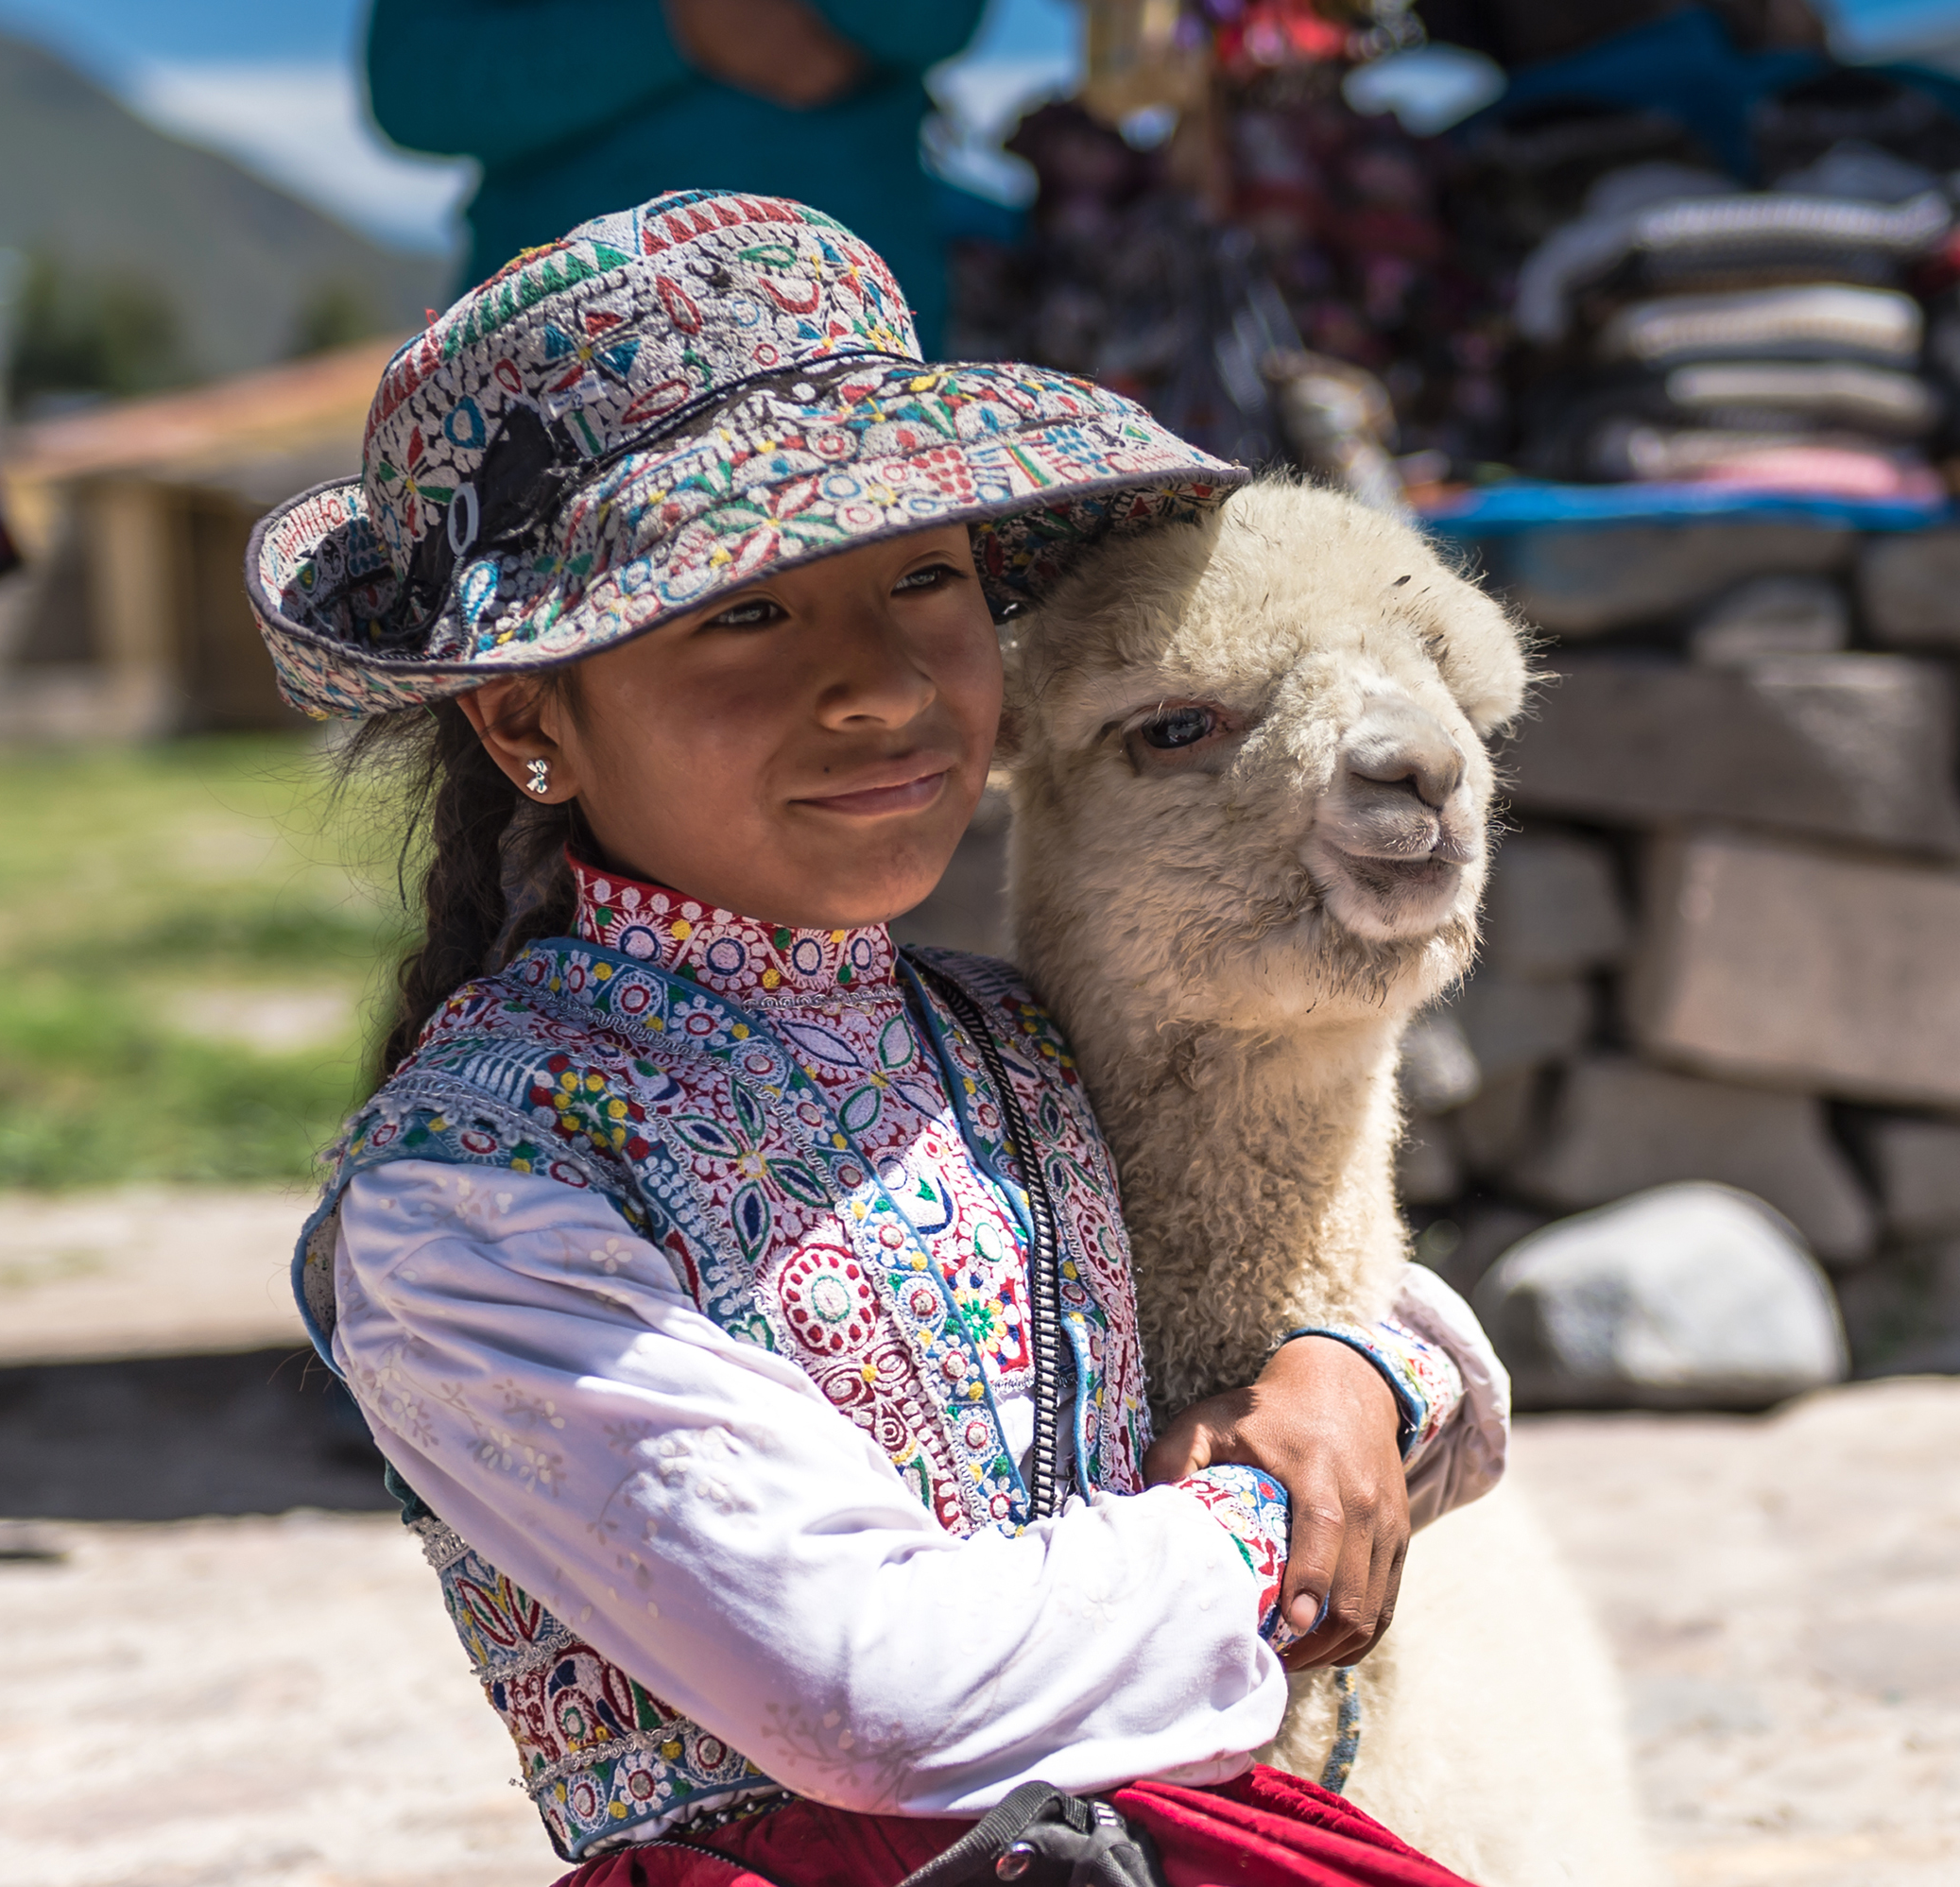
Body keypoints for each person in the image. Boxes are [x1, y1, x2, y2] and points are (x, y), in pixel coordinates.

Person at [245, 190, 1510, 1886]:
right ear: (530, 716)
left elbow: (1356, 1320)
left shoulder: (1003, 1043)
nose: (888, 688)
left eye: (922, 580)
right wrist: (1270, 1509)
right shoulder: (474, 1207)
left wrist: (1347, 1370)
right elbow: (873, 1693)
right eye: (747, 611)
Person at [365, 0, 985, 345]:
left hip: (852, 336)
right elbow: (411, 86)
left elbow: (939, 17)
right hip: (564, 359)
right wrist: (680, 26)